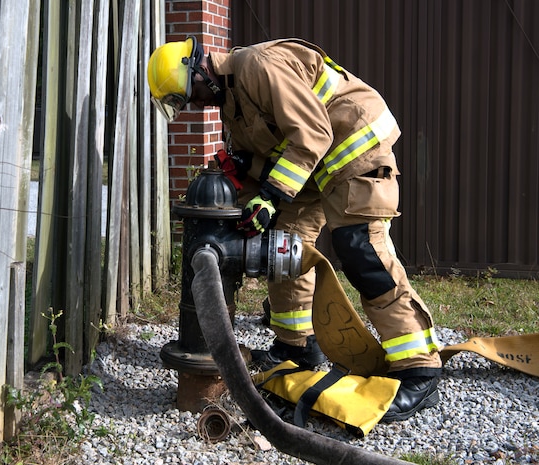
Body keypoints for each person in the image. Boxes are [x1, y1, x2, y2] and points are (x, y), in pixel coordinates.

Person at [147, 36, 443, 422]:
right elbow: (269, 157)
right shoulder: (231, 105)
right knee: (281, 250)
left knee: (360, 251)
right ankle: (297, 346)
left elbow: (312, 132)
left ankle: (419, 368)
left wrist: (270, 195)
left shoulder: (257, 66)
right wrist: (241, 181)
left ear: (201, 69)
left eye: (195, 94)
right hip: (314, 172)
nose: (198, 105)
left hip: (353, 147)